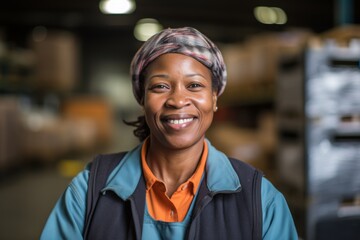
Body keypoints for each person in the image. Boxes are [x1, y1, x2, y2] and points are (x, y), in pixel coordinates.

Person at [40, 27, 298, 240]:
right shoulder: (89, 191)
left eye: (194, 85)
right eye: (161, 86)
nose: (177, 100)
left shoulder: (260, 200)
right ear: (142, 98)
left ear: (214, 98)